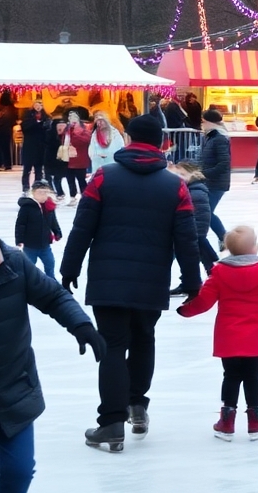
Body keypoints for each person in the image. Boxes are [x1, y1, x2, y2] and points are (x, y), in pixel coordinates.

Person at [60, 115, 202, 451]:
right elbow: (187, 238)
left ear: (128, 139)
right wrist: (192, 281)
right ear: (160, 143)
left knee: (112, 346)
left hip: (108, 280)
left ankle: (111, 423)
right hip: (151, 280)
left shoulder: (103, 177)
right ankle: (137, 404)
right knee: (143, 340)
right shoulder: (175, 186)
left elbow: (83, 226)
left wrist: (69, 268)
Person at [0, 204, 104, 493]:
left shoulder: (14, 264)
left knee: (19, 470)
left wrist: (81, 325)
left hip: (14, 389)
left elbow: (53, 296)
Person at [176, 225, 258, 442]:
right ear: (254, 248)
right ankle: (255, 421)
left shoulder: (219, 273)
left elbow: (204, 302)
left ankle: (226, 421)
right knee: (253, 377)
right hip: (256, 338)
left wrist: (186, 310)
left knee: (230, 376)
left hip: (228, 337)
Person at [168, 161, 217, 293]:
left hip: (195, 231)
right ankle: (191, 282)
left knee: (198, 257)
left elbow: (199, 215)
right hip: (192, 231)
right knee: (196, 257)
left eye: (182, 174)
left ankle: (213, 280)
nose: (179, 177)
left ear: (192, 174)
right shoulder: (192, 188)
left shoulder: (196, 191)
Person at [14, 180, 62, 278]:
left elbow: (53, 221)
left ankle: (51, 281)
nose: (43, 195)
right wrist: (19, 240)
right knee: (29, 267)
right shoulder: (27, 207)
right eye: (40, 192)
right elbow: (20, 224)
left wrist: (57, 231)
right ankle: (28, 282)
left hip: (45, 244)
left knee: (50, 263)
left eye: (45, 192)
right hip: (30, 245)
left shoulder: (49, 206)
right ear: (33, 193)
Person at [197, 109, 231, 248]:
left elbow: (224, 164)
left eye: (203, 121)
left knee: (207, 212)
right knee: (206, 211)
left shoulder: (219, 138)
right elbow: (204, 159)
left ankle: (223, 237)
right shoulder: (209, 137)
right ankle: (223, 238)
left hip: (217, 183)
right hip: (209, 181)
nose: (202, 124)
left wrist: (204, 174)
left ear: (210, 122)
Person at [20, 100, 51, 193]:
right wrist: (36, 122)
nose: (38, 106)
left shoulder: (46, 117)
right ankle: (25, 187)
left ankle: (37, 186)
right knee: (27, 169)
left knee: (38, 169)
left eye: (40, 104)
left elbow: (48, 130)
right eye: (37, 104)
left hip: (40, 146)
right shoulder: (27, 116)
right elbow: (25, 127)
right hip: (29, 145)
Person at [63, 112, 92, 206]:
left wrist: (74, 134)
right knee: (70, 180)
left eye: (74, 117)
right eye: (70, 117)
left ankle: (86, 197)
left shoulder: (85, 130)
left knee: (81, 180)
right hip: (68, 158)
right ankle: (72, 197)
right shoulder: (67, 130)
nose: (72, 119)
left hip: (80, 159)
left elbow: (86, 141)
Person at [87, 111, 125, 176]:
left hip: (112, 164)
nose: (99, 123)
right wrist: (96, 156)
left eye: (101, 121)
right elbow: (91, 150)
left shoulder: (115, 133)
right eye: (98, 121)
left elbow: (121, 147)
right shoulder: (94, 135)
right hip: (98, 166)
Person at [44, 120, 68, 202]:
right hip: (50, 157)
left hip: (61, 158)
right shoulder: (49, 133)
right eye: (59, 125)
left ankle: (59, 192)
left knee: (58, 177)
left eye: (63, 125)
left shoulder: (66, 135)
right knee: (48, 176)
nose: (61, 127)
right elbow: (47, 143)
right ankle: (51, 191)